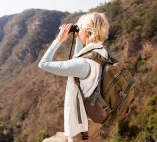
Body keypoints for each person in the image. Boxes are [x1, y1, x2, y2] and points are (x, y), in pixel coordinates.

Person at [38, 12, 110, 141]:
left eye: (80, 27)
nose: (78, 29)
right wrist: (78, 39)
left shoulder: (83, 64)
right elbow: (79, 63)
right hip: (95, 116)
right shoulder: (101, 51)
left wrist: (59, 39)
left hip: (80, 126)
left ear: (88, 31)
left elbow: (43, 64)